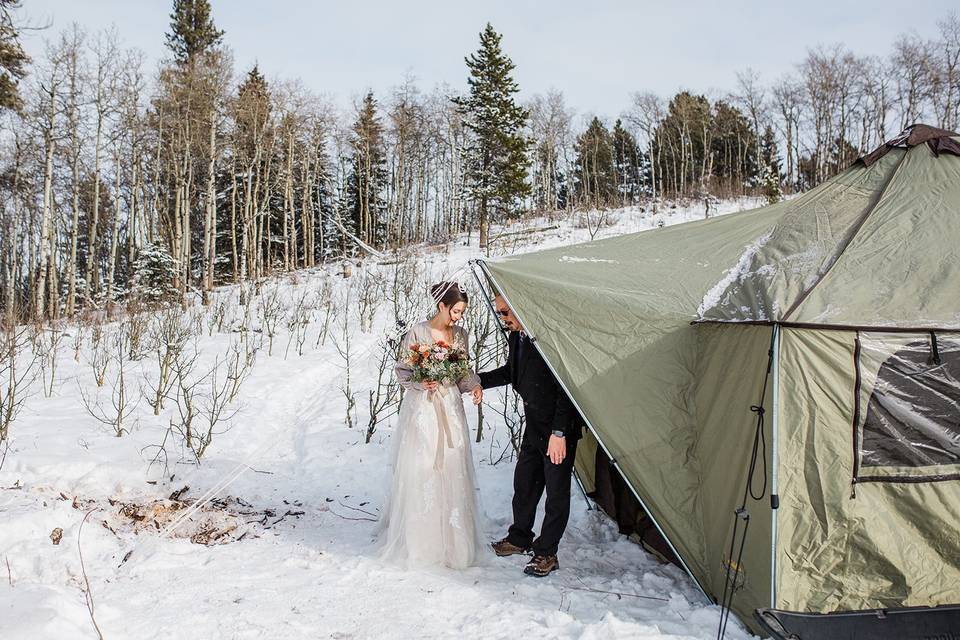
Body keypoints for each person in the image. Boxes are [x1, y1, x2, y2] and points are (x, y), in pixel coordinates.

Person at [377, 282, 487, 569]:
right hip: (424, 407)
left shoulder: (460, 335)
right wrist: (419, 382)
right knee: (424, 465)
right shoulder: (417, 332)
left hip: (450, 407)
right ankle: (422, 542)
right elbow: (402, 370)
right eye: (456, 311)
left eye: (462, 312)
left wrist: (474, 386)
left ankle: (455, 542)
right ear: (442, 305)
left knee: (452, 466)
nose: (459, 317)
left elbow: (463, 371)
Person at [479, 294, 583, 577]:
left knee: (556, 494)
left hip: (558, 431)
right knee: (524, 485)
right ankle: (519, 538)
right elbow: (510, 373)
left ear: (521, 306)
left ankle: (547, 553)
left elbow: (568, 386)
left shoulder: (549, 338)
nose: (503, 318)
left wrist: (560, 432)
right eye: (500, 313)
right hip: (534, 426)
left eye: (505, 312)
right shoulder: (517, 338)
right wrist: (477, 380)